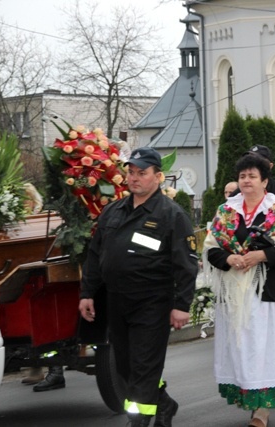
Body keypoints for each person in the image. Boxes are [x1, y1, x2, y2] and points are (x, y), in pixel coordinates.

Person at [79, 147, 198, 427]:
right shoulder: (113, 211)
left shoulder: (171, 215)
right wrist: (87, 292)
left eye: (141, 173)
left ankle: (139, 422)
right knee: (126, 367)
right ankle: (165, 404)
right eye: (130, 172)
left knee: (144, 367)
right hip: (117, 301)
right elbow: (96, 254)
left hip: (152, 302)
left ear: (158, 177)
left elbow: (186, 264)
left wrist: (182, 306)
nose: (134, 178)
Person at [203, 154, 275, 427]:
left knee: (263, 348)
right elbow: (211, 248)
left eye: (252, 176)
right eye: (242, 176)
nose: (246, 181)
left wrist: (261, 257)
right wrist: (229, 259)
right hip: (233, 292)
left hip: (266, 292)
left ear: (265, 181)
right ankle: (248, 396)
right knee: (240, 347)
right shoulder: (226, 210)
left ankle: (263, 410)